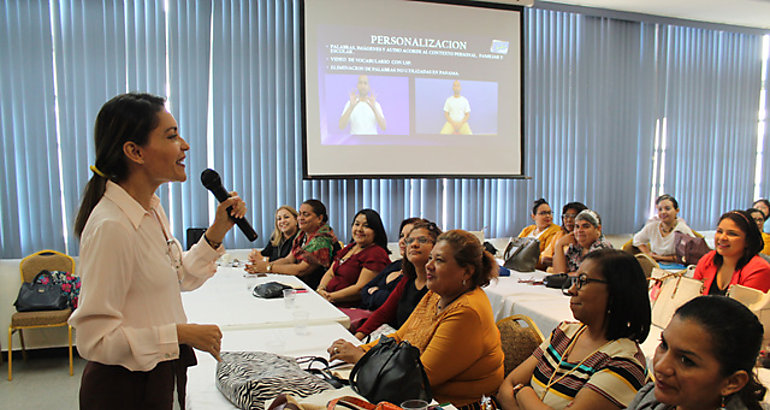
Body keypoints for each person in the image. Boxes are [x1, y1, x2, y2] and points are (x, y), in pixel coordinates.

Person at [68, 93, 248, 409]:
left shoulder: (151, 209)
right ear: (134, 151)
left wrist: (217, 231)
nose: (185, 145)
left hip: (156, 373)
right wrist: (180, 333)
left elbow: (180, 276)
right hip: (123, 388)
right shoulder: (112, 225)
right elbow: (95, 340)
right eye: (171, 136)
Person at [328, 230, 504, 407]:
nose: (429, 266)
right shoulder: (437, 294)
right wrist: (361, 350)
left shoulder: (466, 312)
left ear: (466, 272)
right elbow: (400, 336)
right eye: (430, 259)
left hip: (456, 404)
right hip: (414, 392)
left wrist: (360, 358)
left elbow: (420, 378)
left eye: (440, 260)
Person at [497, 249, 651, 410]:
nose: (571, 290)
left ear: (615, 292)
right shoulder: (565, 333)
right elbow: (507, 386)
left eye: (582, 281)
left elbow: (515, 387)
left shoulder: (623, 364)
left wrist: (524, 392)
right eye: (575, 280)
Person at [628, 295, 766, 410]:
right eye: (664, 345)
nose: (660, 367)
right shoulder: (650, 397)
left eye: (686, 361)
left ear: (732, 382)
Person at [355, 220, 441, 340]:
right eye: (410, 240)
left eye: (422, 240)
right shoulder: (407, 280)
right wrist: (357, 337)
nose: (414, 244)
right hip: (399, 342)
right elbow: (383, 313)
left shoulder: (439, 286)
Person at [246, 199, 338, 290]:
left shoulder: (322, 239)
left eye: (306, 215)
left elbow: (301, 270)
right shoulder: (302, 234)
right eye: (300, 214)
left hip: (317, 289)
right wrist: (260, 267)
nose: (300, 218)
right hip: (299, 284)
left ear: (320, 218)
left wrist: (268, 268)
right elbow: (289, 259)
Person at [315, 209, 391, 306]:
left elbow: (360, 289)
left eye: (366, 226)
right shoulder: (350, 248)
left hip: (348, 307)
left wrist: (330, 296)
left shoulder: (376, 254)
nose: (359, 229)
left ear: (376, 231)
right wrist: (321, 288)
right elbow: (330, 273)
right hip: (329, 301)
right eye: (357, 224)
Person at [693, 210, 770, 295]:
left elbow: (743, 307)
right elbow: (693, 298)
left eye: (732, 234)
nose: (722, 237)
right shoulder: (708, 260)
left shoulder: (758, 270)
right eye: (720, 231)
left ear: (748, 240)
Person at [360, 217, 424, 311]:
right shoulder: (396, 265)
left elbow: (394, 303)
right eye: (401, 236)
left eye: (410, 237)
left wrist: (376, 293)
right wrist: (379, 295)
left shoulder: (417, 272)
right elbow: (365, 290)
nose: (403, 241)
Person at [633, 194, 696, 263]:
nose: (663, 212)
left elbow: (691, 254)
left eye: (667, 208)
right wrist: (648, 254)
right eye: (660, 209)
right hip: (655, 264)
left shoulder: (682, 229)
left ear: (677, 210)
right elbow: (637, 240)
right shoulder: (652, 226)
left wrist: (661, 258)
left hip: (676, 266)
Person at [552, 209, 613, 274]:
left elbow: (585, 277)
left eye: (586, 226)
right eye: (577, 226)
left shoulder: (602, 247)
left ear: (598, 229)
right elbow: (559, 274)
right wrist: (559, 245)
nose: (580, 230)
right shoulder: (576, 246)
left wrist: (567, 275)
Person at [541, 202, 588, 268]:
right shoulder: (559, 234)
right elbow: (544, 259)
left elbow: (575, 266)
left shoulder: (584, 239)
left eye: (573, 216)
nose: (569, 220)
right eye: (566, 216)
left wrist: (558, 261)